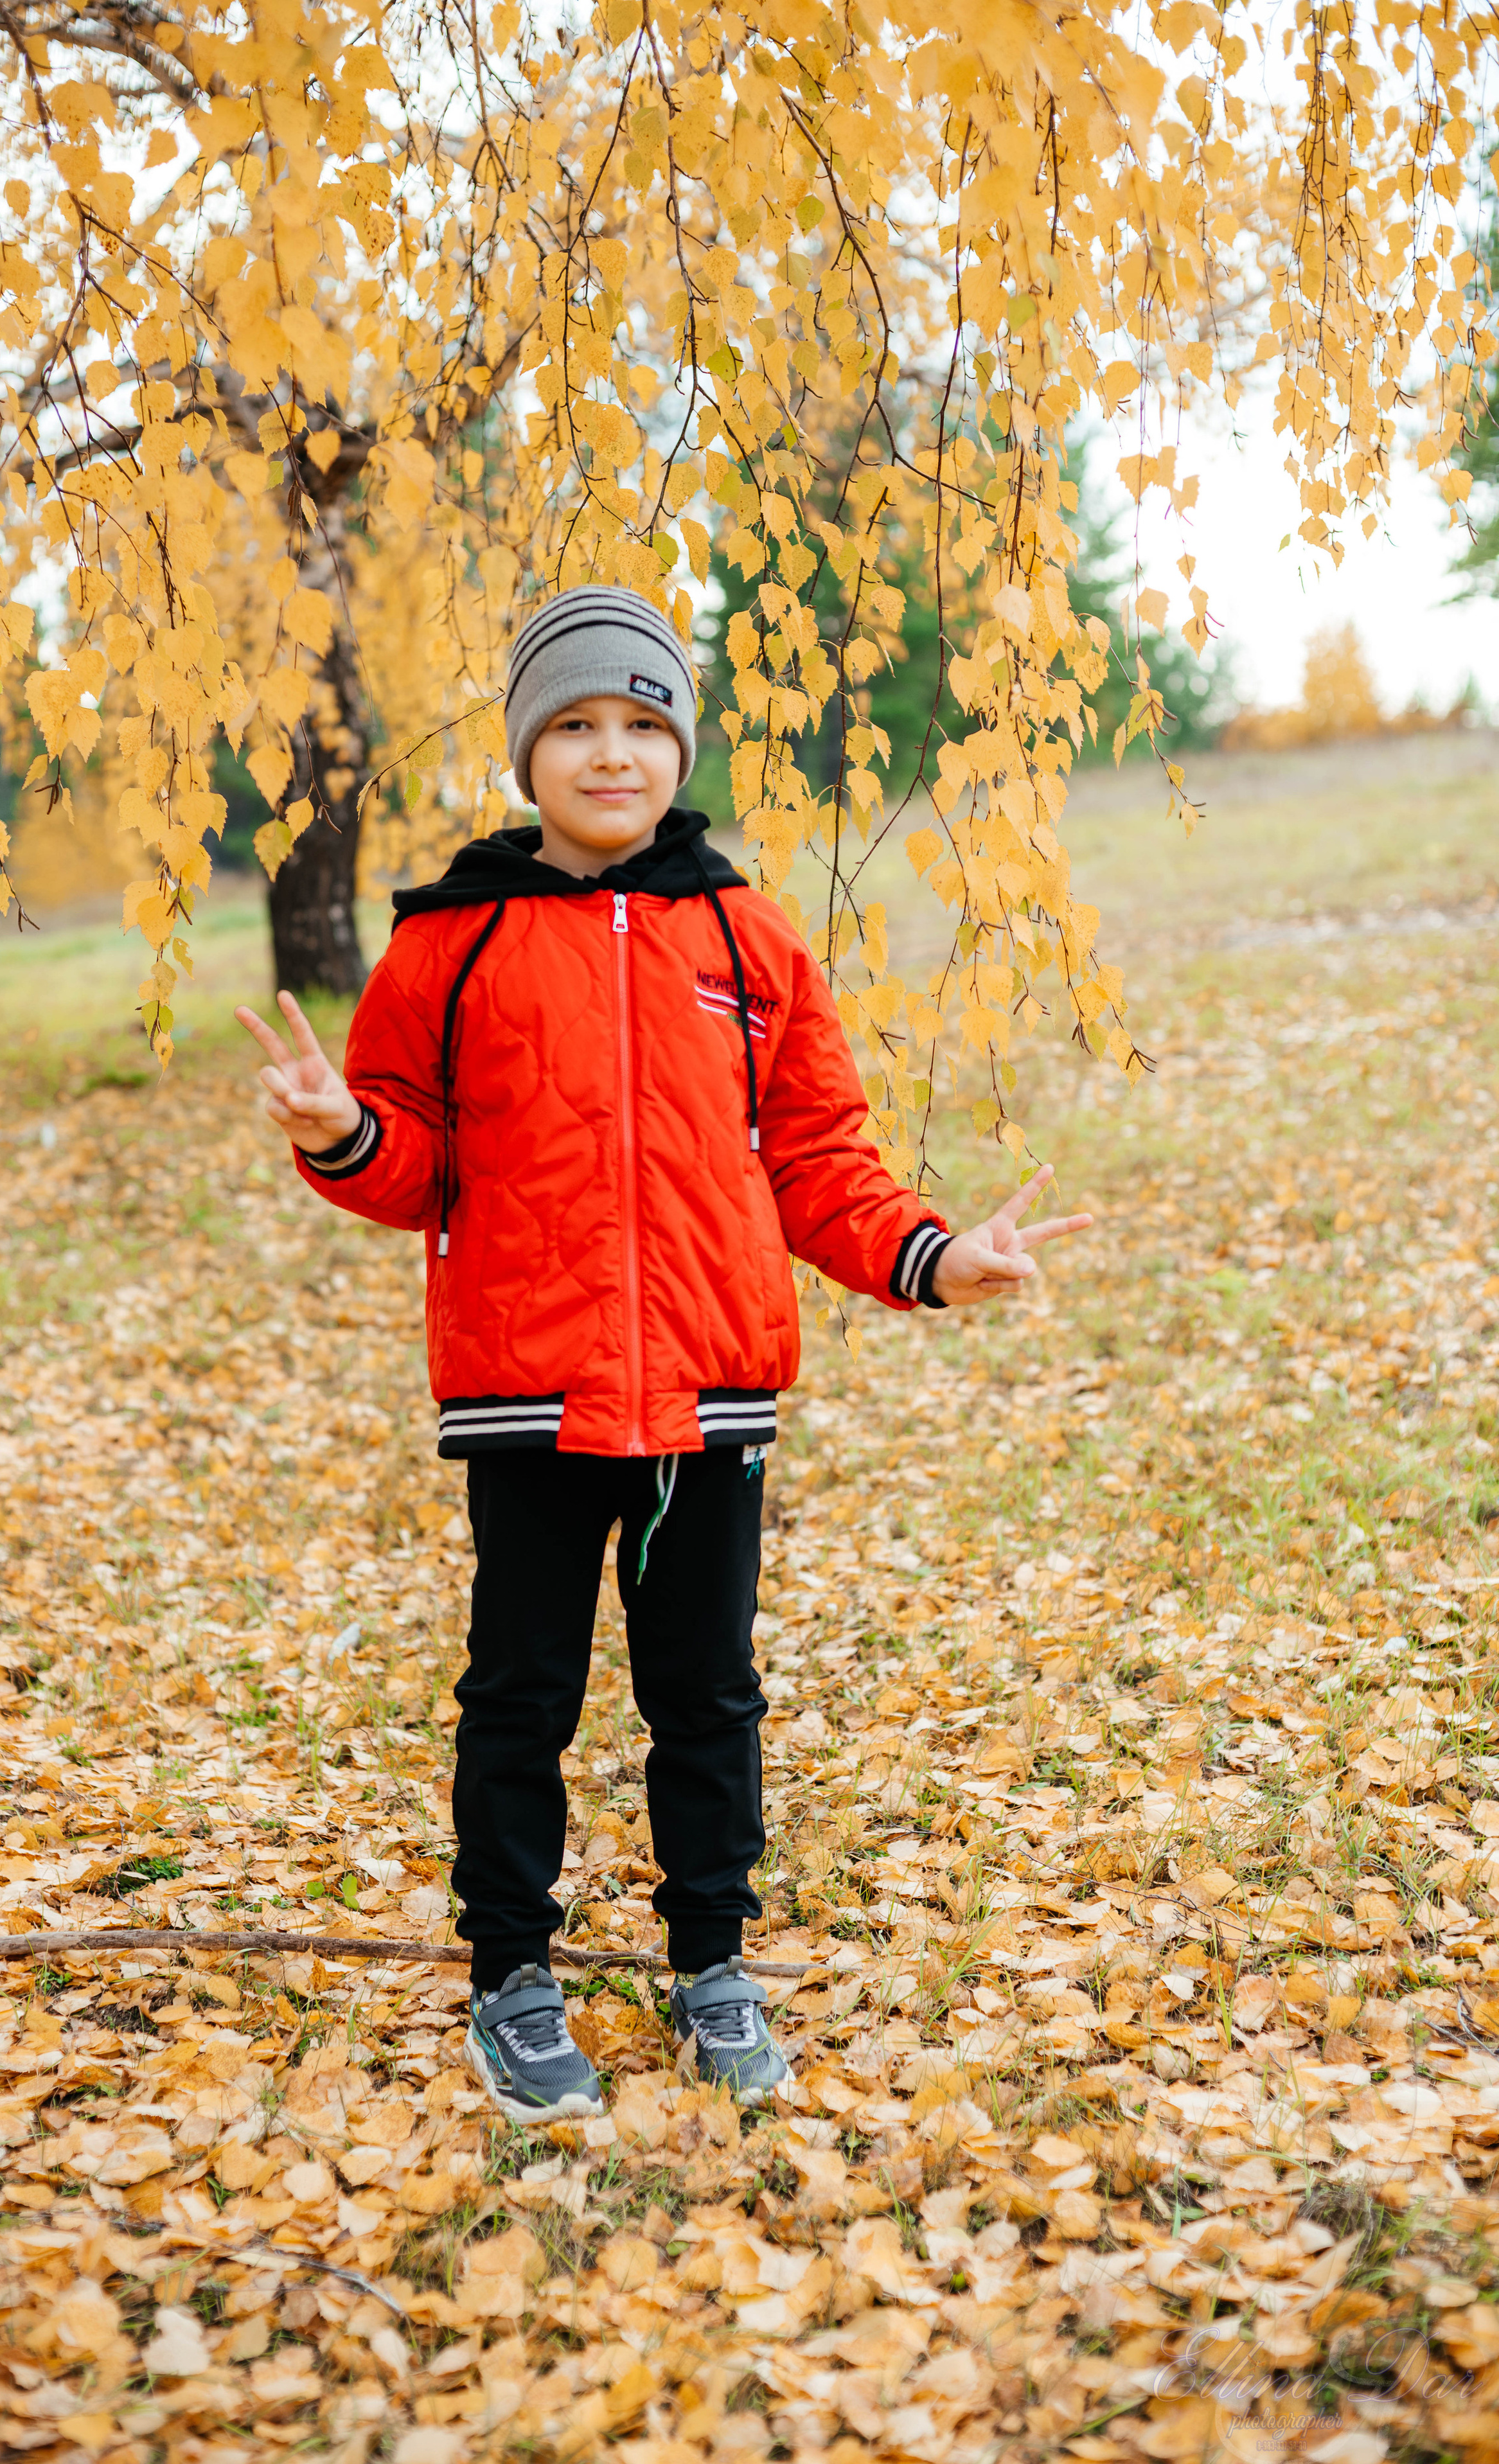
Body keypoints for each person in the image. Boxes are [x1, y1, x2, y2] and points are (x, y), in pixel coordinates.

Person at [237, 584, 1090, 2123]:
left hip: (709, 1390)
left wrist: (934, 1257)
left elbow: (818, 1156)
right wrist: (339, 1132)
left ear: (677, 743)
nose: (610, 753)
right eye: (574, 724)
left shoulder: (746, 938)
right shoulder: (451, 942)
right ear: (527, 752)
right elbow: (410, 1162)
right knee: (521, 1691)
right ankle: (510, 1970)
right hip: (528, 1393)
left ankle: (712, 1963)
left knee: (704, 1692)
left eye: (639, 723)